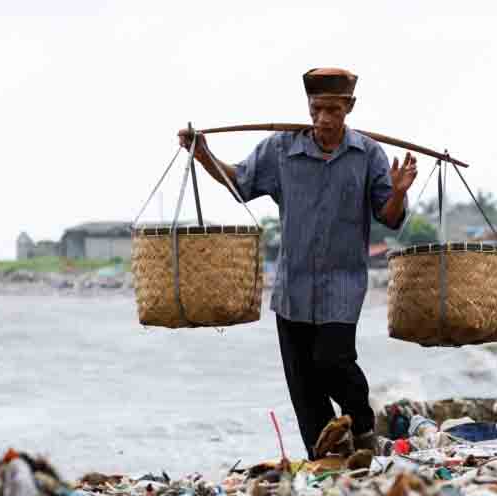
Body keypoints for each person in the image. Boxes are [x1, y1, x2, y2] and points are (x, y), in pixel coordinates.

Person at [176, 68, 418, 459]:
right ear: (308, 106)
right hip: (293, 289)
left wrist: (399, 193)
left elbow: (389, 216)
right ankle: (326, 459)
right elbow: (240, 183)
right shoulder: (280, 150)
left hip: (342, 285)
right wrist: (202, 154)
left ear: (349, 108)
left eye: (333, 110)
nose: (323, 118)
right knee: (304, 385)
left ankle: (361, 419)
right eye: (317, 108)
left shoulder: (367, 154)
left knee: (333, 361)